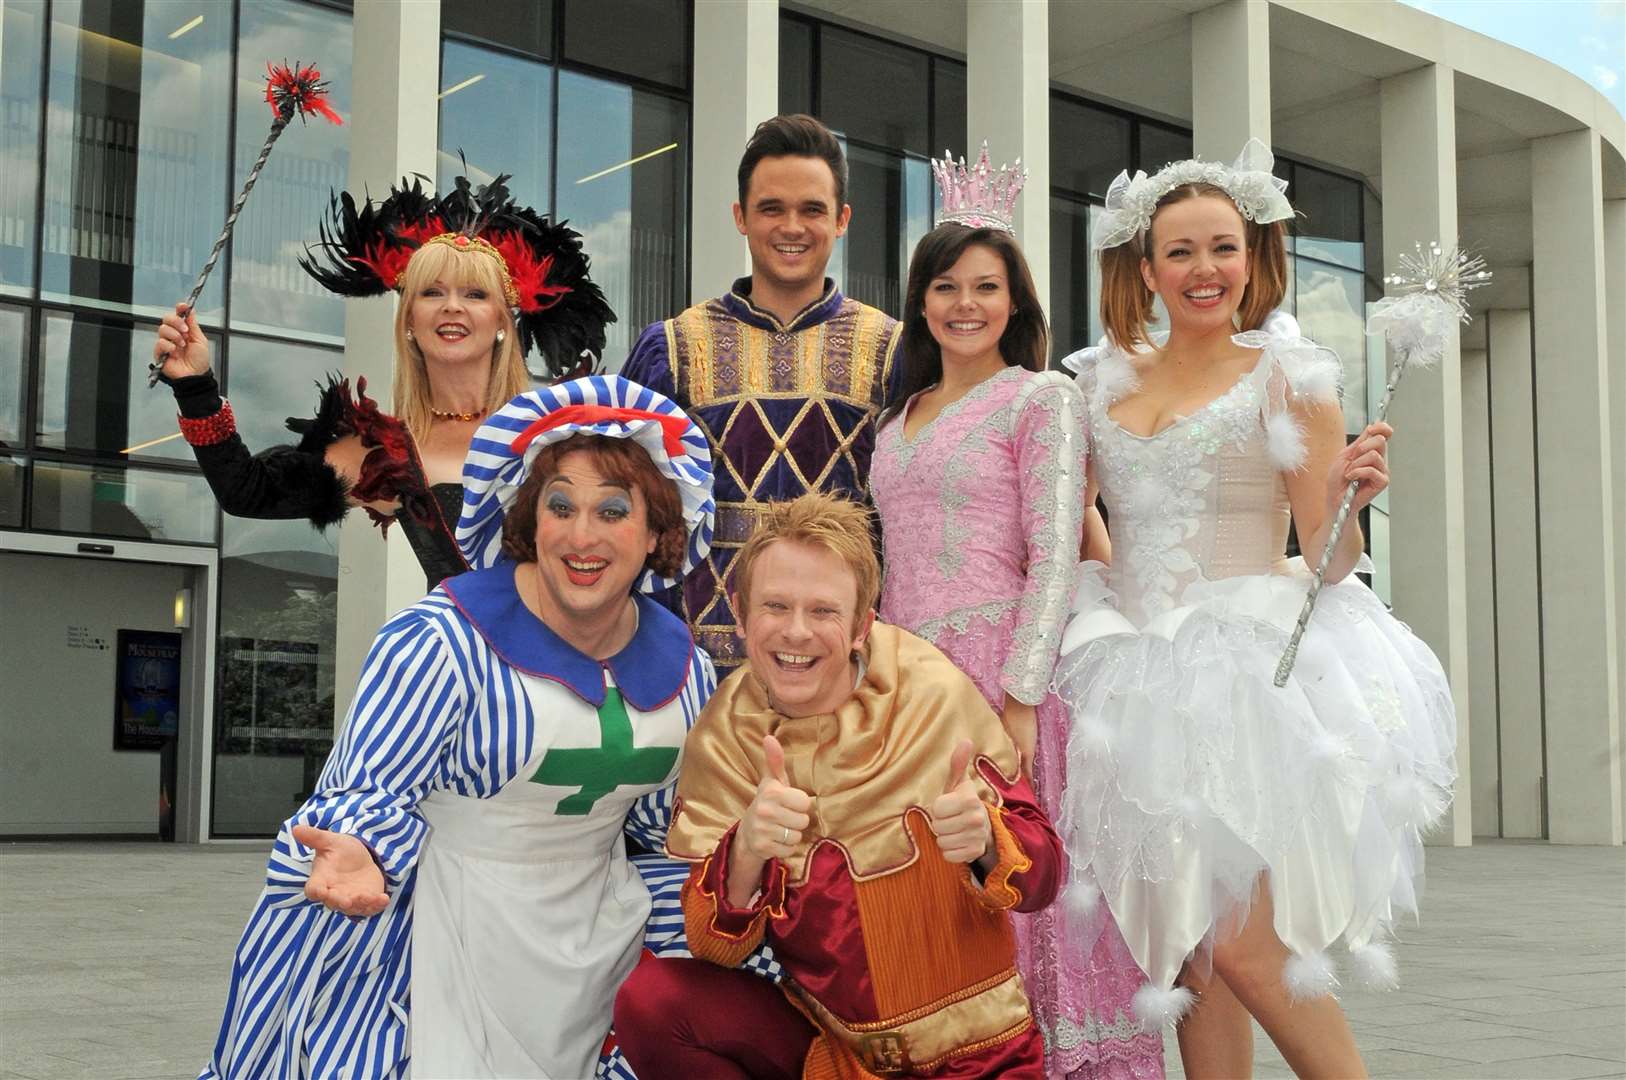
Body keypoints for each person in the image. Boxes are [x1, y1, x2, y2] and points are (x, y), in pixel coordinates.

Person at [1054, 140, 1457, 1079]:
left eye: (1223, 248)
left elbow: (1327, 557)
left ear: (1254, 257)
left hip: (1249, 678)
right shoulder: (1097, 381)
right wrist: (1110, 598)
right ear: (1144, 266)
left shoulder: (1292, 376)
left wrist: (1352, 500)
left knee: (1248, 947)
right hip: (1133, 680)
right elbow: (1085, 526)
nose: (1205, 271)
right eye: (1182, 252)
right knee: (1192, 954)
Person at [199, 376, 715, 1080]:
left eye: (613, 510)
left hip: (599, 939)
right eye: (559, 505)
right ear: (529, 519)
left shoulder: (687, 666)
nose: (581, 535)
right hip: (442, 931)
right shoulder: (443, 639)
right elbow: (368, 790)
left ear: (658, 531)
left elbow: (664, 832)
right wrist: (355, 848)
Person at [869, 145, 1163, 1079]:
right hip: (906, 680)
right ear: (921, 300)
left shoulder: (1042, 399)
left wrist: (1023, 696)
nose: (965, 303)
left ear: (1016, 304)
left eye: (986, 287)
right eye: (946, 284)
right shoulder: (895, 416)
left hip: (1001, 669)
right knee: (931, 890)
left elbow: (1053, 555)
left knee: (1016, 881)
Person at [613, 491, 1064, 1079]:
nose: (795, 633)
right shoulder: (725, 733)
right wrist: (746, 851)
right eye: (775, 606)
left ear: (861, 624)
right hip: (839, 1056)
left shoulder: (930, 690)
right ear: (740, 610)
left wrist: (986, 841)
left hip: (981, 1059)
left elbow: (1045, 877)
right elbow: (715, 948)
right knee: (653, 1001)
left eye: (823, 611)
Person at [152, 173, 614, 588]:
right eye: (432, 292)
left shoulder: (559, 432)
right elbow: (246, 492)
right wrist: (195, 386)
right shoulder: (385, 453)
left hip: (573, 674)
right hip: (457, 676)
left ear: (501, 321)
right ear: (410, 319)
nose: (452, 306)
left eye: (474, 294)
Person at [621, 114, 902, 673]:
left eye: (812, 209)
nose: (791, 227)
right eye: (772, 208)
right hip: (694, 663)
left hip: (841, 662)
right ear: (740, 218)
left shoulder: (893, 351)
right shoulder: (673, 348)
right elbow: (632, 509)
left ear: (843, 219)